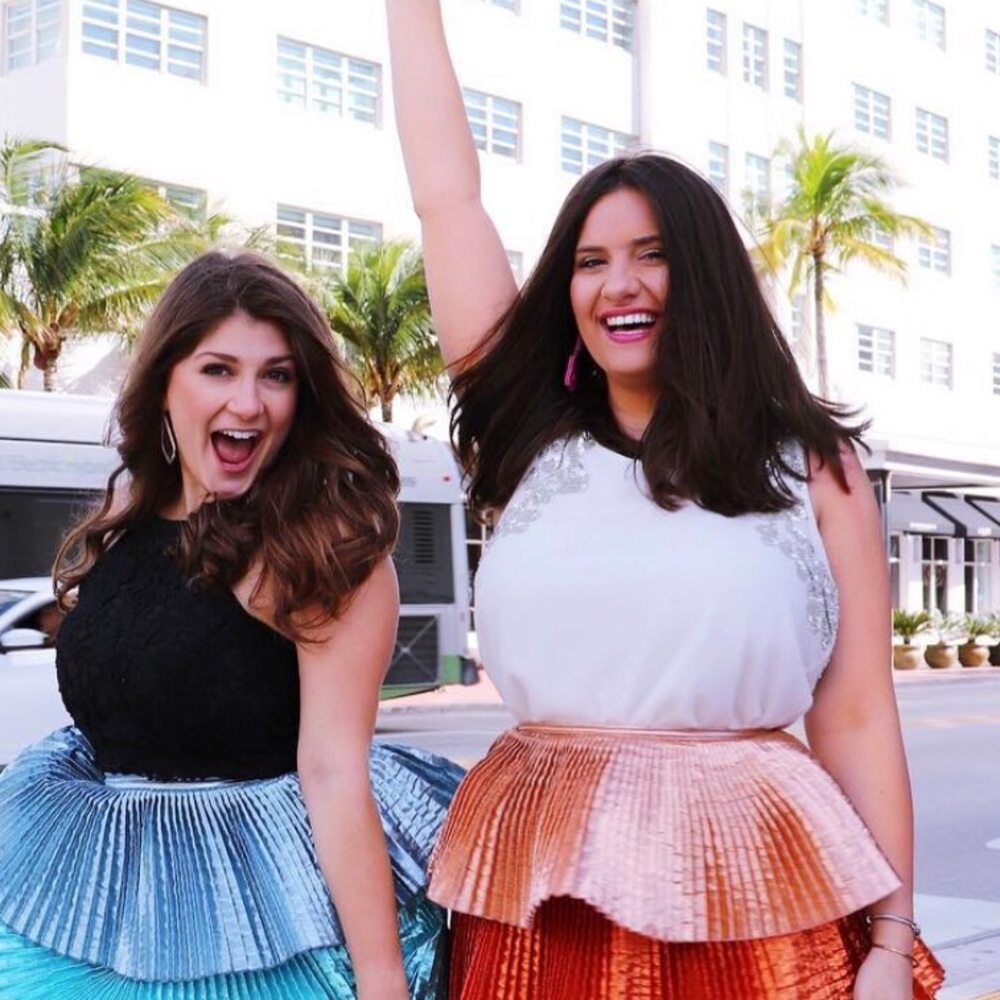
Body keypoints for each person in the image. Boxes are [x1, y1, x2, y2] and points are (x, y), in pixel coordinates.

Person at [385, 3, 945, 998]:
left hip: (756, 902)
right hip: (542, 898)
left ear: (706, 276)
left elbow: (856, 718)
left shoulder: (815, 468)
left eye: (650, 253)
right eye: (590, 262)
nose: (618, 284)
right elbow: (447, 201)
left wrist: (890, 944)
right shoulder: (529, 437)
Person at [0, 250, 463, 999]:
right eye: (218, 369)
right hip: (97, 906)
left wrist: (382, 982)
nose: (249, 404)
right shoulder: (123, 532)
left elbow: (334, 771)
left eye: (276, 375)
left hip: (270, 934)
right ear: (165, 386)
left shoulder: (324, 554)